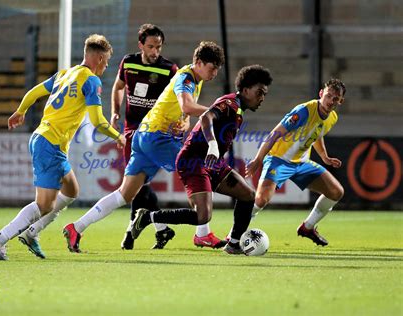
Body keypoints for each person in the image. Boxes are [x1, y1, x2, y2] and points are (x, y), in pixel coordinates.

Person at [63, 41, 226, 253]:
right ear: (199, 62)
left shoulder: (196, 79)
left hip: (145, 136)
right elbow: (187, 105)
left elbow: (184, 110)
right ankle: (203, 234)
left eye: (217, 70)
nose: (214, 73)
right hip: (157, 137)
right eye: (212, 68)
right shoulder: (185, 77)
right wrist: (215, 111)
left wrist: (185, 122)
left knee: (124, 194)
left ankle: (76, 227)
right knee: (198, 169)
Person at [0, 34, 125, 260]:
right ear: (99, 58)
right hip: (50, 143)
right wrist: (118, 136)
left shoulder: (64, 74)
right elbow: (98, 121)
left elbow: (34, 92)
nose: (107, 65)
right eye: (107, 60)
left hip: (45, 139)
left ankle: (33, 232)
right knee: (44, 204)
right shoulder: (91, 80)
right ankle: (0, 237)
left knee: (71, 190)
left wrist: (20, 111)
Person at [129, 65, 273, 255]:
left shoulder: (238, 110)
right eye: (259, 92)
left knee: (247, 195)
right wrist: (213, 145)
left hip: (213, 163)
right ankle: (147, 217)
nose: (262, 98)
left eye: (264, 94)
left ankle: (234, 244)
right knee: (202, 216)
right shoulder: (230, 104)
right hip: (193, 160)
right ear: (246, 90)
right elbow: (206, 117)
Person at [245, 78, 346, 246]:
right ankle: (234, 236)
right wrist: (258, 158)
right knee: (261, 199)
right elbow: (275, 133)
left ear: (340, 101)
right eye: (328, 96)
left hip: (301, 163)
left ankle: (308, 227)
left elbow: (317, 134)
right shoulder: (304, 111)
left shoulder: (332, 117)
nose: (331, 101)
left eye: (335, 98)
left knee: (336, 192)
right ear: (321, 93)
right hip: (278, 159)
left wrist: (325, 157)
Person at [110, 24, 178, 250]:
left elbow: (181, 98)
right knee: (140, 184)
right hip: (132, 131)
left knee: (136, 185)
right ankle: (162, 229)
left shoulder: (169, 69)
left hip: (156, 134)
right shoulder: (128, 62)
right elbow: (118, 86)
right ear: (140, 45)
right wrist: (114, 111)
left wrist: (183, 120)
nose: (155, 51)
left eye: (158, 47)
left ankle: (132, 233)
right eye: (150, 46)